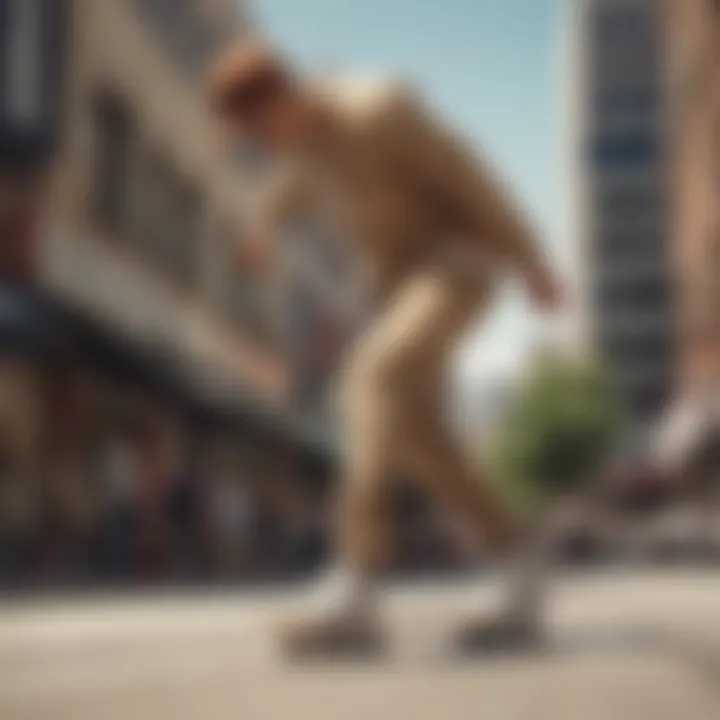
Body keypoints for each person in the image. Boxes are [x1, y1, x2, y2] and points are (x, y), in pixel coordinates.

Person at [207, 41, 563, 656]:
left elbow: (469, 173)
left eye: (264, 132)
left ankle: (356, 586)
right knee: (421, 436)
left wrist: (532, 258)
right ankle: (518, 561)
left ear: (284, 97)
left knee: (370, 378)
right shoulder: (303, 146)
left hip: (457, 265)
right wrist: (263, 228)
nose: (271, 150)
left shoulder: (381, 108)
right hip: (399, 283)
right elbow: (292, 186)